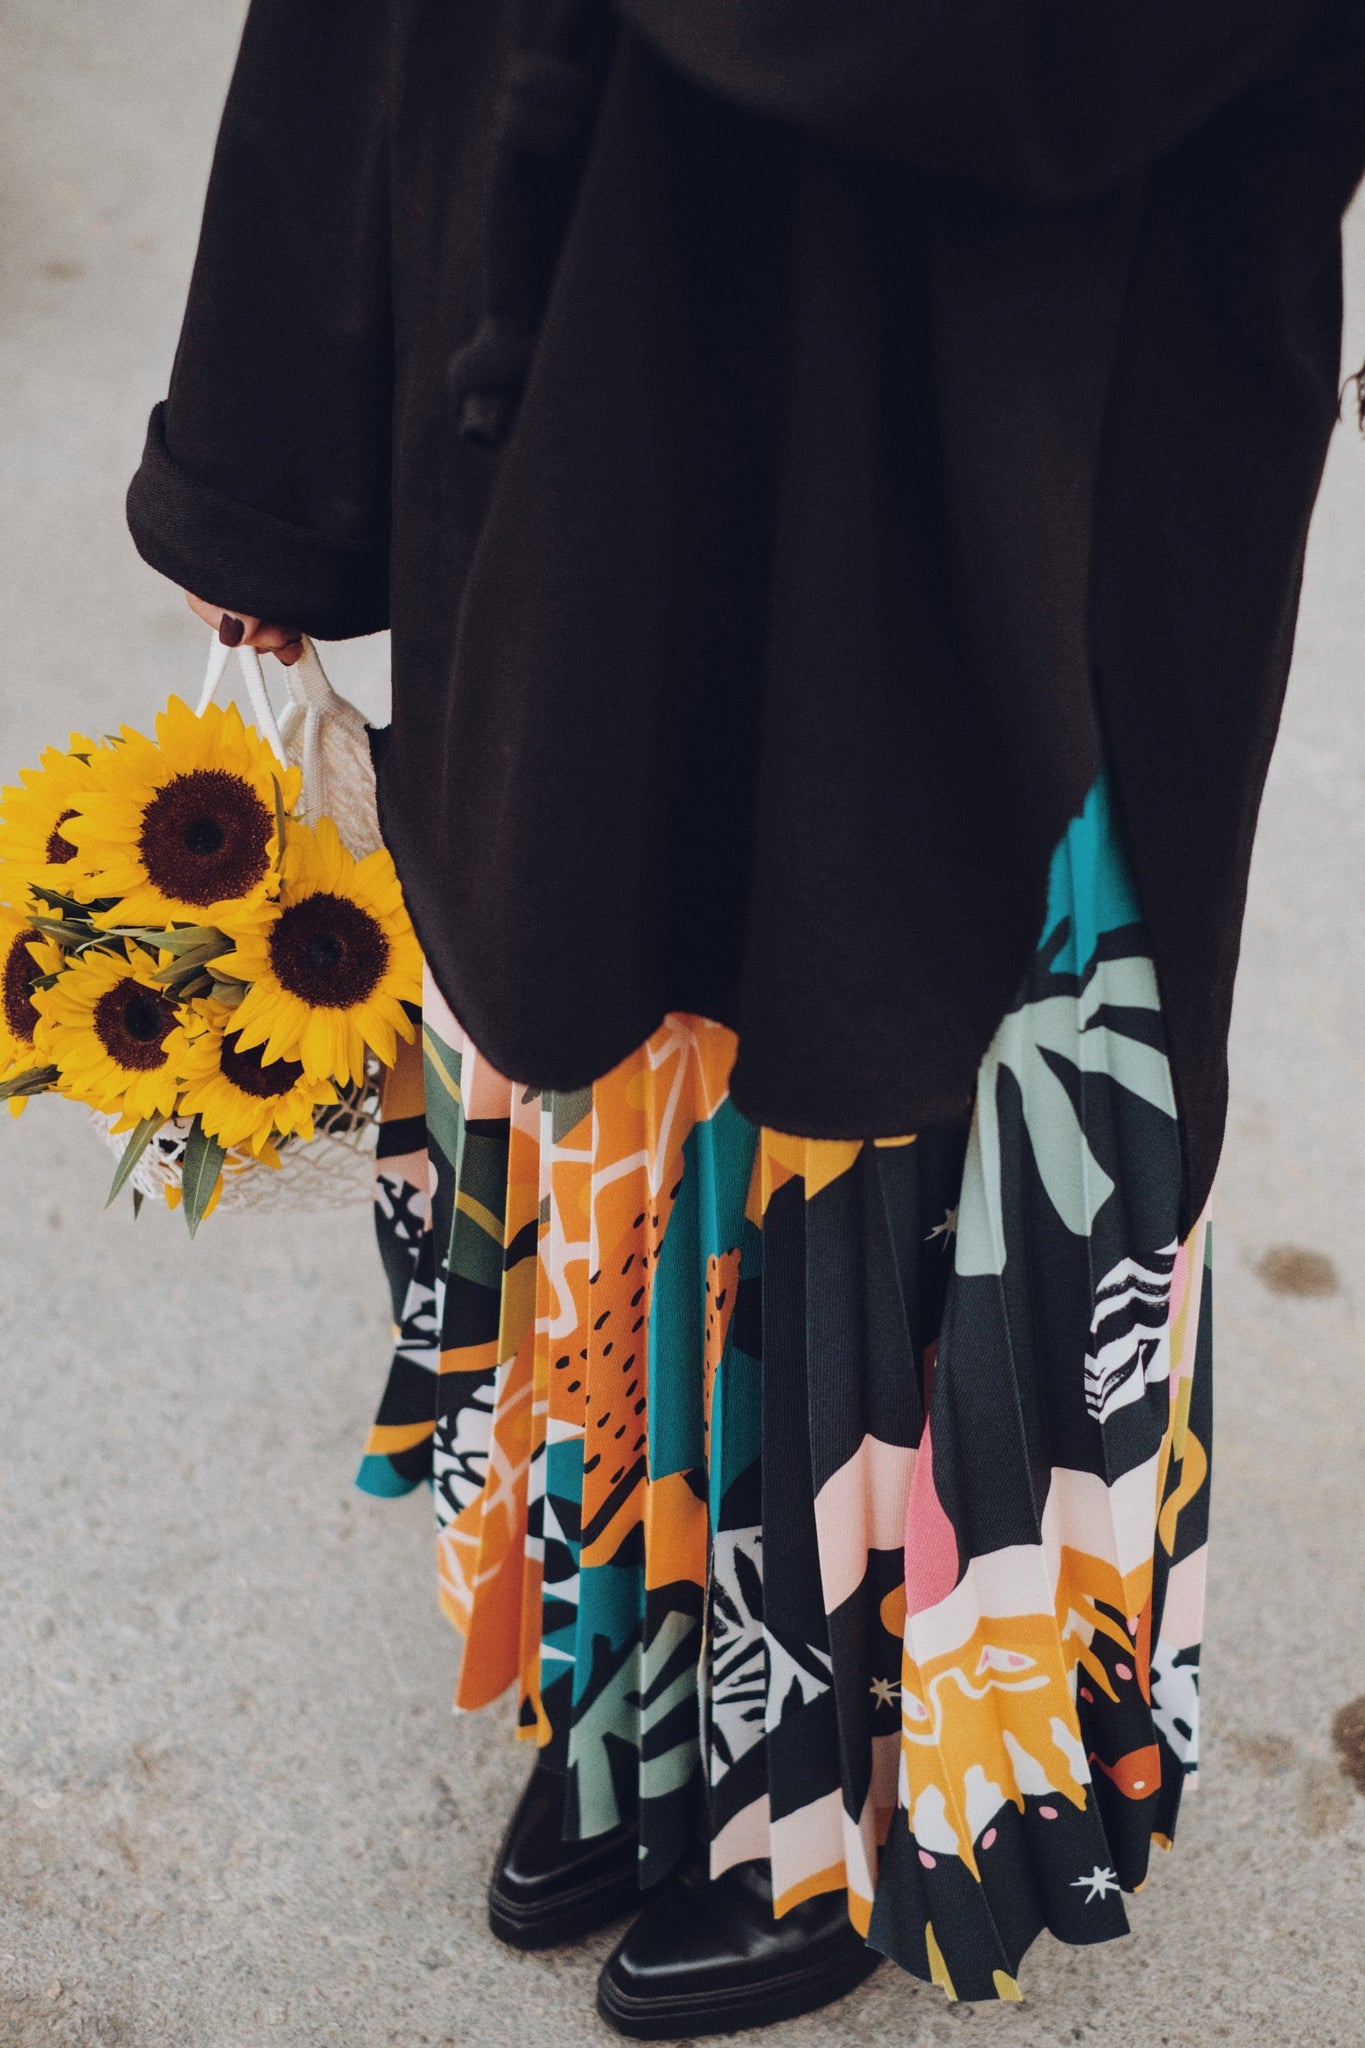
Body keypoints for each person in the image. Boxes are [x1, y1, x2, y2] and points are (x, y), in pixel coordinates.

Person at [127, 0, 1365, 2034]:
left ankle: (851, 1782)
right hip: (583, 280)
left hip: (1002, 359)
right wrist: (270, 445)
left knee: (925, 1017)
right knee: (602, 931)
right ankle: (645, 1668)